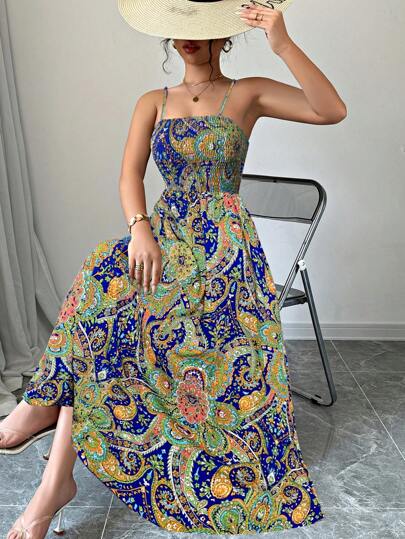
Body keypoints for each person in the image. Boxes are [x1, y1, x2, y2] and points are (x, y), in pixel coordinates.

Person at [1, 1, 347, 537]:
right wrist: (140, 228)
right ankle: (54, 476)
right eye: (183, 28)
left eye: (203, 30)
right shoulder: (152, 101)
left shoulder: (248, 93)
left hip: (224, 251)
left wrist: (282, 43)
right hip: (163, 238)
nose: (190, 38)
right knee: (105, 281)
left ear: (223, 37)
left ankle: (45, 439)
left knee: (110, 312)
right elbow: (129, 175)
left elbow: (331, 110)